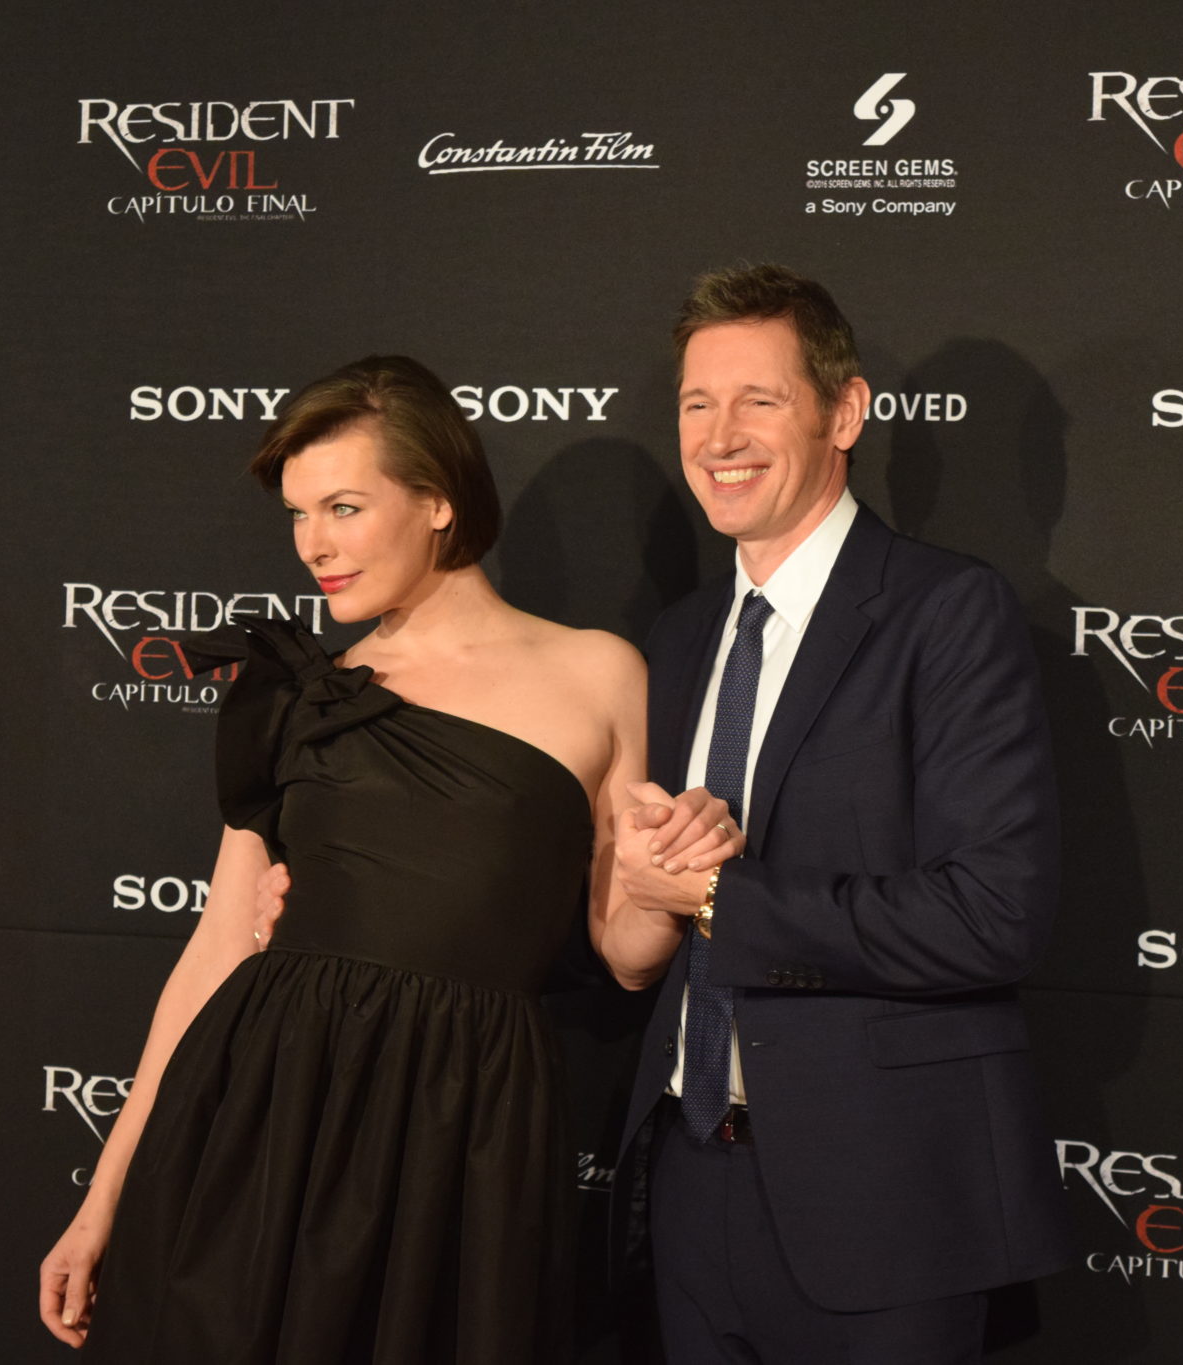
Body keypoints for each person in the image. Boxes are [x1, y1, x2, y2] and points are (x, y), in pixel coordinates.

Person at [36, 355, 741, 1363]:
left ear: (439, 501)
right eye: (298, 514)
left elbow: (625, 956)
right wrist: (101, 1198)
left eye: (344, 508)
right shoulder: (298, 694)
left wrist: (669, 879)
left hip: (469, 1126)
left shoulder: (595, 672)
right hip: (271, 1110)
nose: (312, 545)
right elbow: (216, 950)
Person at [600, 264, 1076, 1363]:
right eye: (696, 404)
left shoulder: (946, 612)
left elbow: (993, 914)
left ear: (844, 412)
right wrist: (652, 885)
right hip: (688, 1182)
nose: (720, 436)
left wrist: (719, 896)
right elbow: (644, 924)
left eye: (758, 400)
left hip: (884, 1199)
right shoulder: (679, 636)